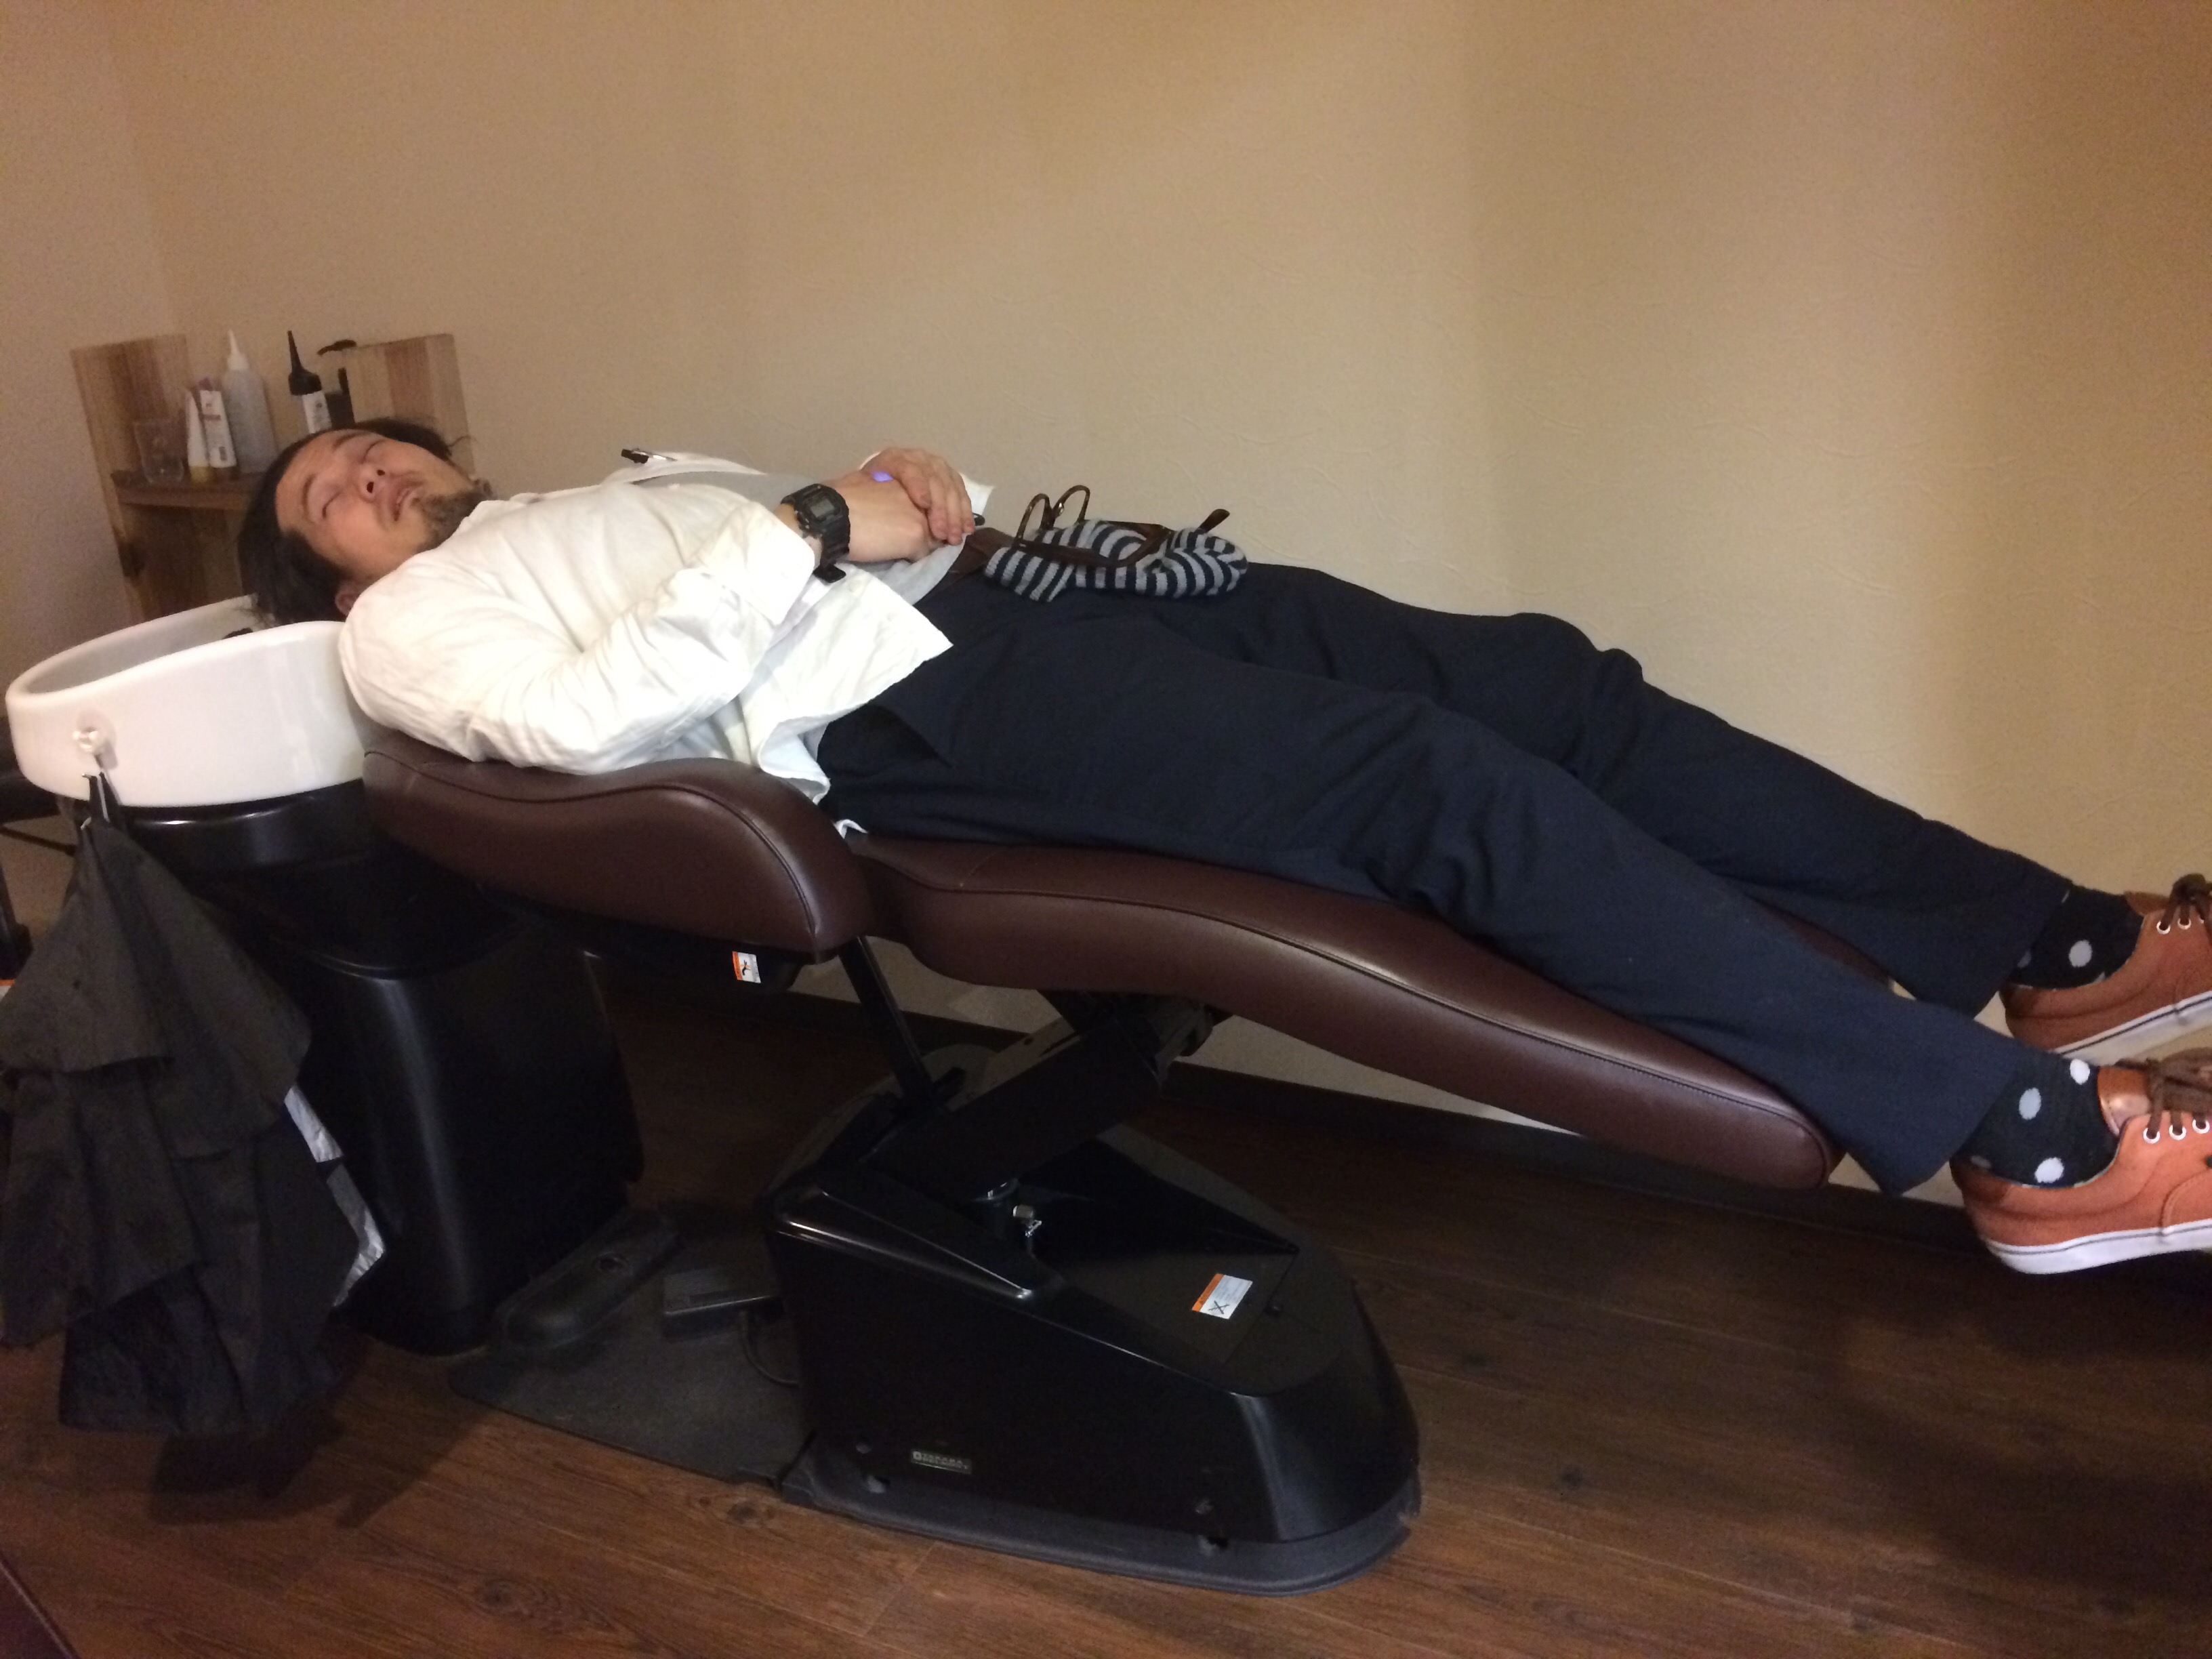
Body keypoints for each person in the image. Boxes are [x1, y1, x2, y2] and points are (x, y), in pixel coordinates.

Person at [234, 418, 2212, 1275]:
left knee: (1550, 684)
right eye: (327, 489)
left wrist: (912, 494)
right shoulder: (404, 632)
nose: (367, 467)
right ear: (319, 574)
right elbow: (591, 721)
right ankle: (2019, 1142)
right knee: (1442, 789)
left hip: (1018, 606)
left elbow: (830, 537)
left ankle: (2047, 941)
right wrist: (820, 525)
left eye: (372, 446)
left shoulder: (584, 489)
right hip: (920, 719)